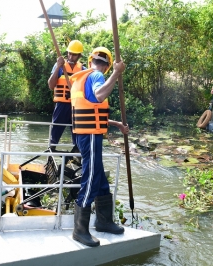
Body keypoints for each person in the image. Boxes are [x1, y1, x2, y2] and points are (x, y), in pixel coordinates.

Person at [70, 47, 128, 247]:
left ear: (91, 59)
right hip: (90, 136)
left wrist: (116, 124)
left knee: (100, 177)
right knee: (92, 177)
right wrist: (116, 74)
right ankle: (80, 229)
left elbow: (94, 110)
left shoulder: (81, 77)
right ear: (108, 65)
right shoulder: (96, 76)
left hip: (84, 134)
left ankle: (104, 221)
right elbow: (99, 96)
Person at [48, 40, 85, 151]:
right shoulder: (59, 66)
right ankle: (51, 152)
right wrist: (59, 66)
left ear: (79, 56)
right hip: (61, 105)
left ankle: (76, 158)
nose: (70, 56)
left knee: (77, 134)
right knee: (55, 133)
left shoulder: (82, 69)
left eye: (74, 54)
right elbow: (51, 85)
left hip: (76, 106)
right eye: (69, 53)